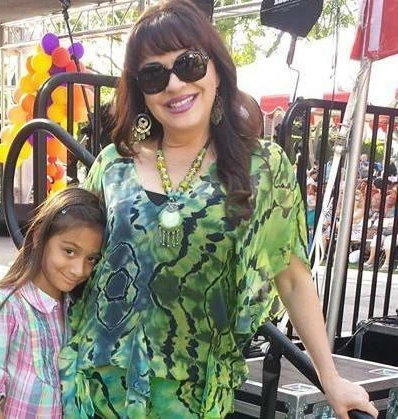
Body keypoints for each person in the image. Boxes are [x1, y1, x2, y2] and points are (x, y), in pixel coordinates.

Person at [59, 1, 378, 418]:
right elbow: (72, 259)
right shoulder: (112, 165)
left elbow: (292, 277)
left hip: (194, 399)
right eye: (154, 75)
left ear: (216, 69)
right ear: (140, 90)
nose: (174, 85)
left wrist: (330, 377)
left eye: (188, 64)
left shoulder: (263, 168)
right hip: (95, 390)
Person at [0, 187, 105, 419]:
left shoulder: (73, 307)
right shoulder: (7, 304)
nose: (79, 269)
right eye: (69, 251)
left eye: (91, 258)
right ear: (38, 236)